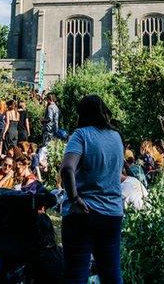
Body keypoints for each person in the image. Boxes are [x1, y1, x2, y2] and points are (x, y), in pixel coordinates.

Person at [60, 95, 124, 284]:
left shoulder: (81, 135)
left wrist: (73, 198)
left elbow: (67, 168)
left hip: (83, 213)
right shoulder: (116, 136)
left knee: (76, 275)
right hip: (112, 213)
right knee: (111, 274)